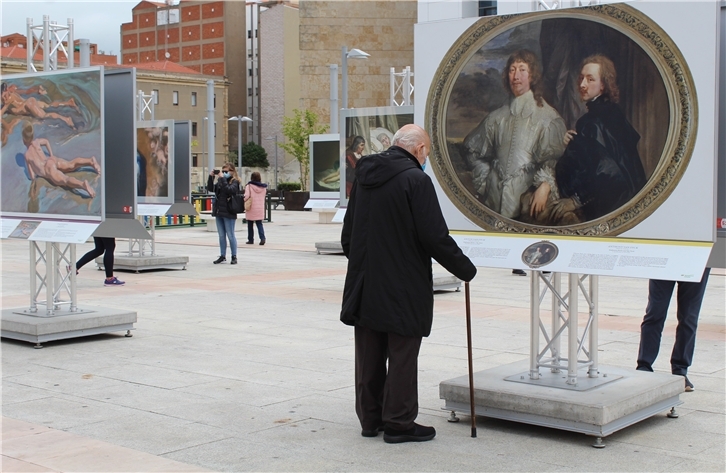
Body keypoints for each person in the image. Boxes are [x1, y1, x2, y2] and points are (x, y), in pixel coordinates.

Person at [341, 124, 477, 444]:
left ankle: (371, 419)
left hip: (365, 284)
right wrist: (465, 269)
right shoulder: (416, 180)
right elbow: (434, 237)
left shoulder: (364, 176)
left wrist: (365, 265)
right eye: (426, 151)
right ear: (418, 150)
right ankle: (399, 422)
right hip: (403, 286)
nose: (426, 157)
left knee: (369, 352)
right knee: (402, 353)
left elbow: (348, 235)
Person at [522, 55, 647, 225]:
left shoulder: (593, 122)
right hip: (625, 202)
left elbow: (608, 171)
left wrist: (576, 200)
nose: (582, 85)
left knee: (530, 208)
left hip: (606, 207)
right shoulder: (610, 114)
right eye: (581, 78)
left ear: (603, 85)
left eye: (590, 79)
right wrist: (574, 144)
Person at [462, 49, 566, 220]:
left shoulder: (548, 118)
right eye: (512, 70)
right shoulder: (496, 118)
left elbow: (555, 161)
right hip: (492, 203)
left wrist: (545, 186)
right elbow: (471, 149)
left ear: (532, 75)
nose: (516, 76)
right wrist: (486, 179)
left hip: (528, 207)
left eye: (522, 70)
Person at [637, 268, 711, 392]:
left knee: (689, 317)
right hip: (667, 258)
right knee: (655, 313)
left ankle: (680, 371)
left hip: (698, 259)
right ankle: (644, 367)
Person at [22, 121, 99, 198]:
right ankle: (90, 161)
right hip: (51, 160)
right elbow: (46, 142)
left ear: (23, 139)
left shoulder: (27, 155)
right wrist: (51, 155)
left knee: (65, 180)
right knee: (70, 164)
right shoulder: (37, 142)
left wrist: (34, 181)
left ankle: (83, 185)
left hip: (47, 169)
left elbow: (32, 176)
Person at [1, 82, 78, 129]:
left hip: (29, 104)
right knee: (48, 106)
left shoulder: (8, 101)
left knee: (44, 116)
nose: (5, 98)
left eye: (6, 95)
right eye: (3, 96)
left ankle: (66, 119)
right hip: (30, 102)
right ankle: (68, 103)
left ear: (7, 90)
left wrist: (6, 106)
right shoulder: (10, 92)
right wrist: (36, 90)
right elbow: (25, 91)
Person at [207, 162, 241, 265]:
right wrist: (211, 177)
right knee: (221, 235)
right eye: (223, 171)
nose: (224, 173)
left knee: (230, 235)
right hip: (219, 212)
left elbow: (229, 190)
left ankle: (234, 256)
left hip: (229, 211)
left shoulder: (235, 182)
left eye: (226, 171)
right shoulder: (220, 182)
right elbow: (211, 189)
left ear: (232, 171)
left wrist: (222, 178)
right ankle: (222, 255)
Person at [244, 171, 267, 245]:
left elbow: (246, 196)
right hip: (260, 207)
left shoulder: (249, 186)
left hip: (251, 207)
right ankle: (262, 238)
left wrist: (244, 200)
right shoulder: (263, 187)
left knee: (250, 224)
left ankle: (251, 239)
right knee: (259, 224)